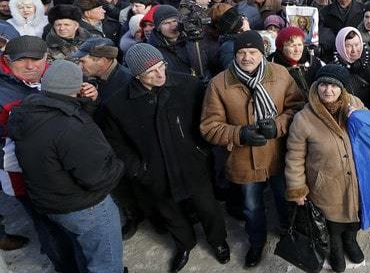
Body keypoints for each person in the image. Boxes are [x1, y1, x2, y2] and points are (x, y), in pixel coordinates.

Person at [100, 44, 229, 272]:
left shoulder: (188, 85)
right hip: (154, 171)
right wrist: (139, 169)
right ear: (137, 75)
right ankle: (184, 244)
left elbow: (207, 119)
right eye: (151, 72)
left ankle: (218, 241)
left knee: (208, 207)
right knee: (170, 212)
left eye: (162, 67)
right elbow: (117, 144)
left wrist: (202, 150)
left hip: (192, 164)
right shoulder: (117, 105)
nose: (160, 75)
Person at [200, 30, 305, 267]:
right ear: (235, 54)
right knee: (252, 207)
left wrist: (277, 126)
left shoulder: (280, 74)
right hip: (244, 160)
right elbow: (209, 127)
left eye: (253, 52)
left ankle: (287, 229)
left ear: (262, 53)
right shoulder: (219, 84)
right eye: (242, 52)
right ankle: (256, 243)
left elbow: (297, 108)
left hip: (278, 154)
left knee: (284, 197)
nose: (247, 57)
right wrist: (239, 133)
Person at [9, 60, 125, 273]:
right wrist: (119, 165)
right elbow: (97, 177)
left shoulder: (26, 110)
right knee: (105, 262)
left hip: (51, 202)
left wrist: (85, 105)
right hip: (85, 207)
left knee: (81, 251)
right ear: (77, 87)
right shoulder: (71, 126)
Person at [285, 65, 366, 273]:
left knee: (354, 219)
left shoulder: (354, 104)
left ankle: (351, 241)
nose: (327, 90)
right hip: (325, 185)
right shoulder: (304, 118)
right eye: (323, 84)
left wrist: (360, 117)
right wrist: (297, 188)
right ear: (316, 86)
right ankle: (336, 249)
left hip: (355, 181)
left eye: (333, 85)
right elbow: (294, 156)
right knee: (333, 225)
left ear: (343, 89)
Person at [332, 27, 370, 108]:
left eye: (357, 44)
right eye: (348, 46)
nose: (354, 50)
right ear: (340, 47)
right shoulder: (334, 69)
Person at [269, 26, 323, 98]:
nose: (297, 50)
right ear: (281, 47)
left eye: (300, 45)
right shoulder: (272, 67)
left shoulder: (313, 62)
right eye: (292, 46)